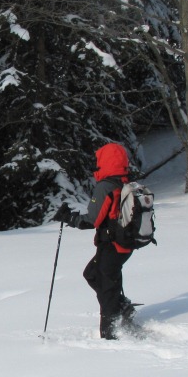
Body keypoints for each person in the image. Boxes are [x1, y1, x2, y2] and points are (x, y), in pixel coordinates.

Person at [55, 142, 137, 340]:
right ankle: (121, 306)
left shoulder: (106, 186)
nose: (96, 164)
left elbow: (93, 220)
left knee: (106, 284)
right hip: (124, 243)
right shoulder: (125, 182)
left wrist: (69, 218)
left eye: (98, 161)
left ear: (106, 162)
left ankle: (110, 334)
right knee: (92, 273)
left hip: (112, 245)